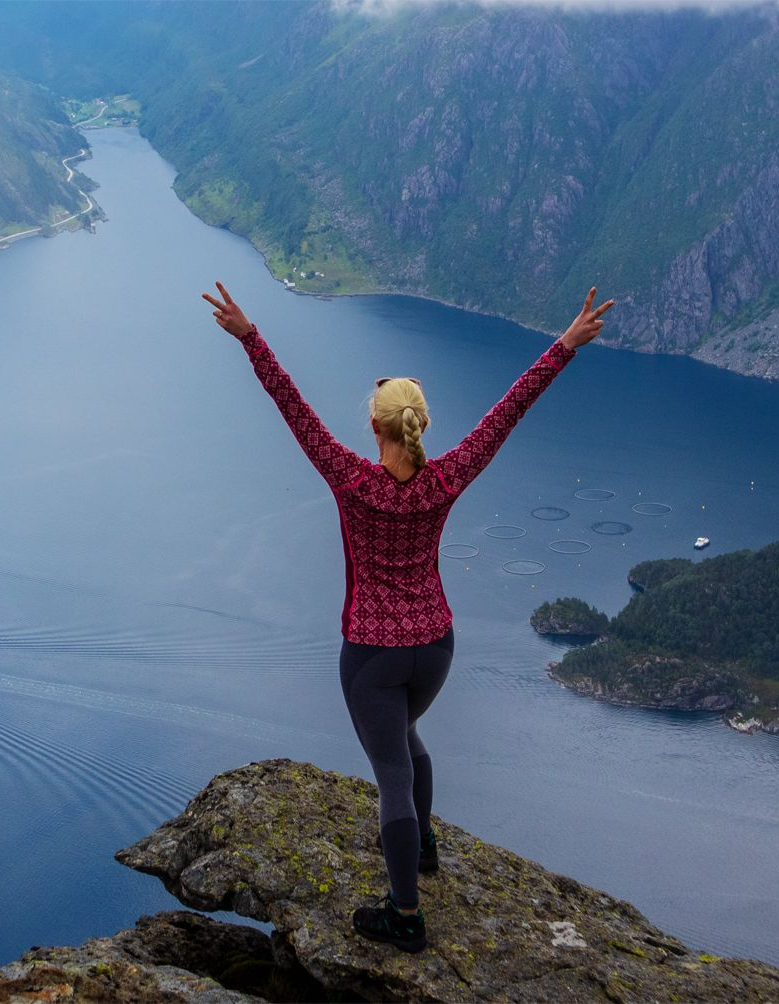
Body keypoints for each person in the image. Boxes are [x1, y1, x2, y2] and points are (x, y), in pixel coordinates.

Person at [200, 281, 611, 953]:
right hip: (436, 648)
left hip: (371, 655)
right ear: (422, 425)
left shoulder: (350, 479)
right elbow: (509, 411)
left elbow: (292, 405)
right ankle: (421, 848)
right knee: (409, 739)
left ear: (374, 427)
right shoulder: (446, 479)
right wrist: (565, 344)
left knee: (390, 771)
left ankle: (405, 915)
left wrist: (250, 335)